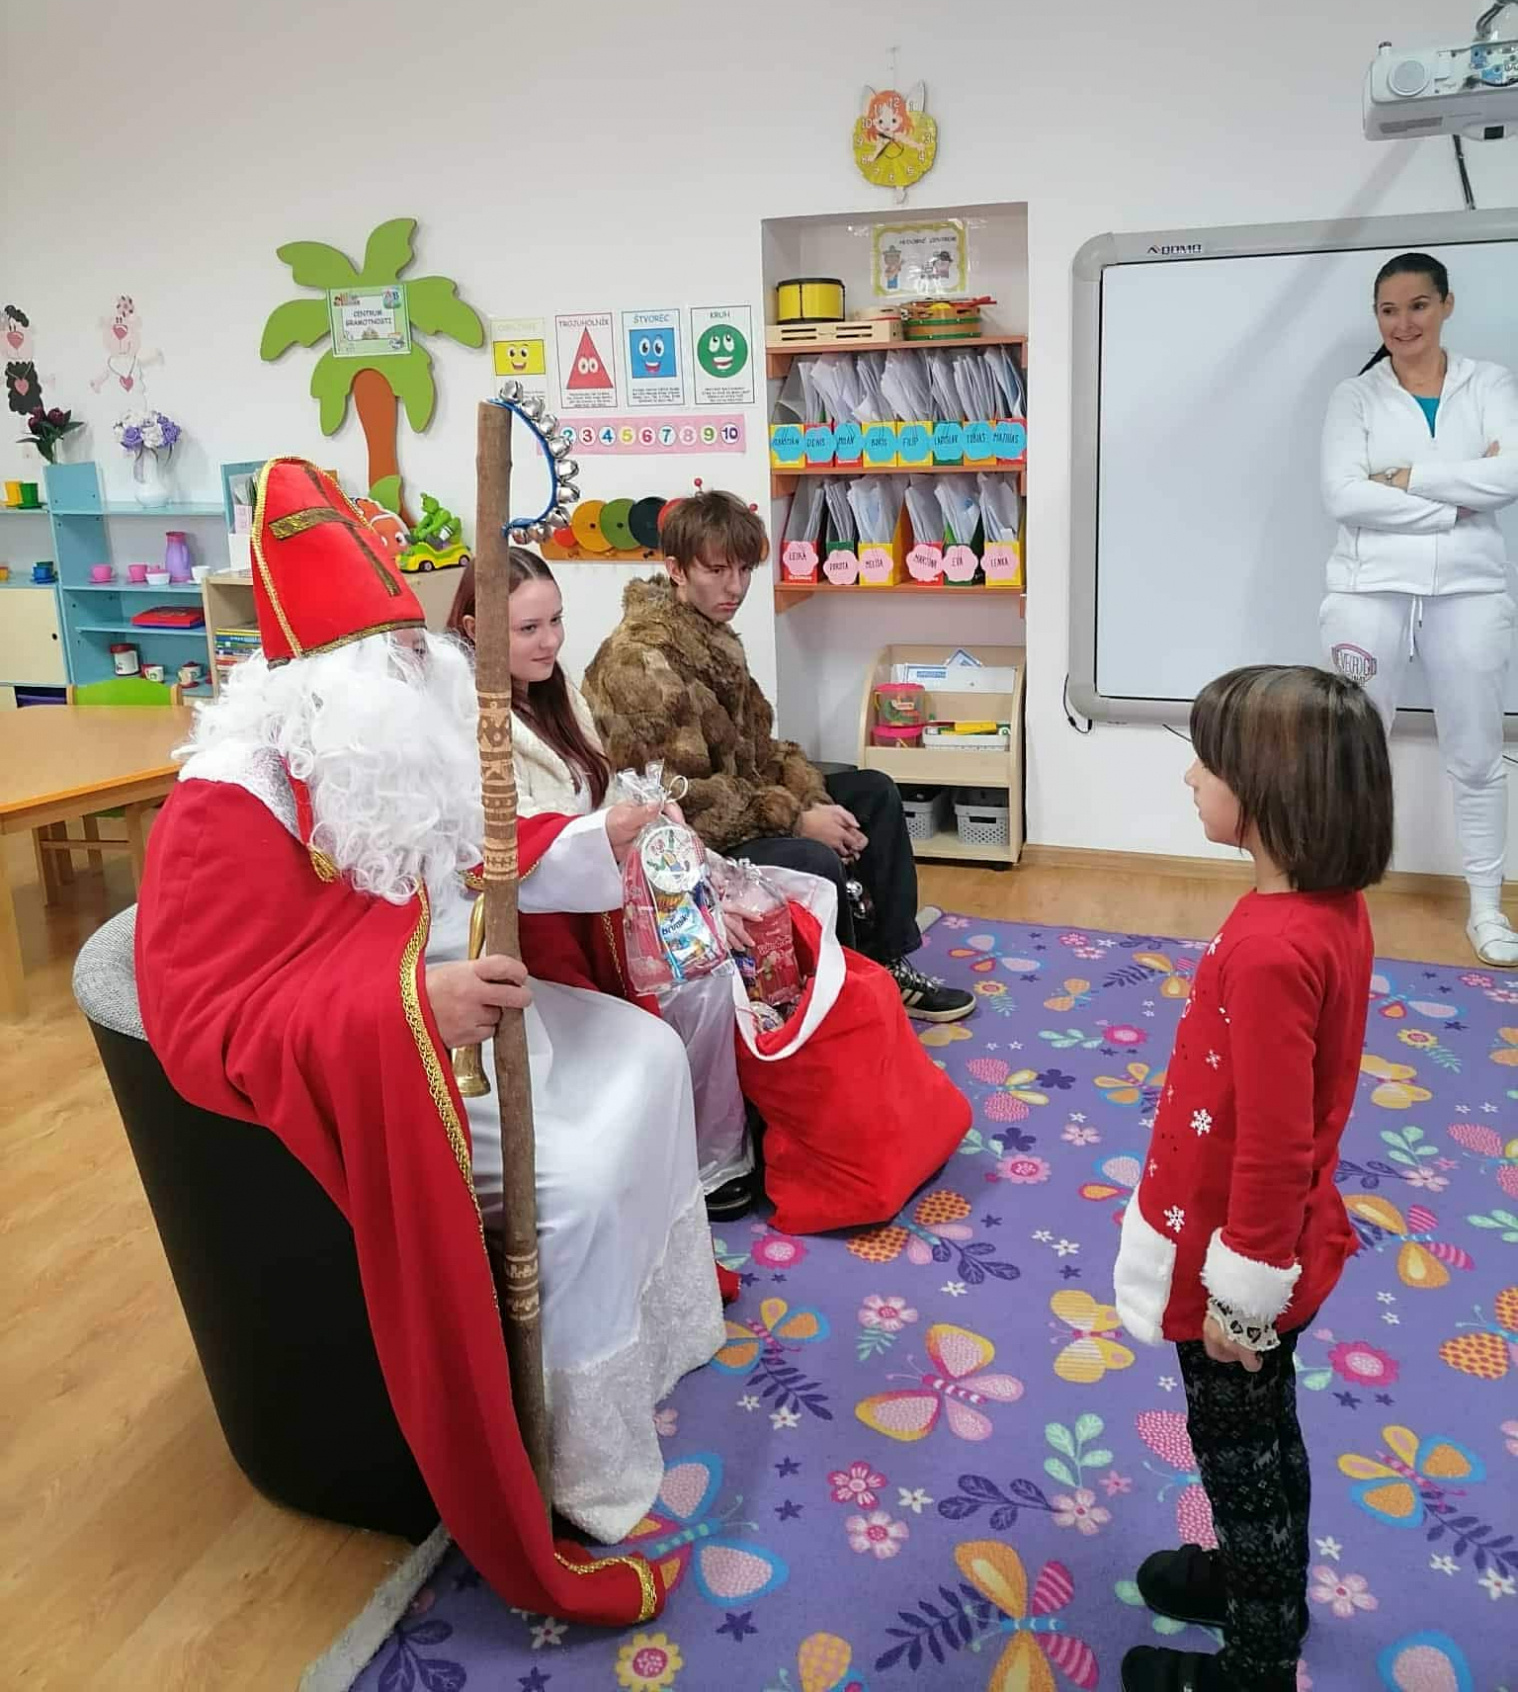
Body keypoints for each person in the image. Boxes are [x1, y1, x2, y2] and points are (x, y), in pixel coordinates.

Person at [135, 458, 727, 1628]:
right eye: (402, 653)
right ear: (336, 681)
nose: (427, 665)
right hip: (407, 1064)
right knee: (575, 1183)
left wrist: (601, 836)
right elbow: (202, 1018)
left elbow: (478, 855)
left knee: (648, 1056)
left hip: (481, 1008)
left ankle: (653, 1342)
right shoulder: (231, 798)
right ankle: (574, 1457)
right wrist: (411, 1004)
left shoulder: (389, 748)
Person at [1113, 665, 1392, 1692]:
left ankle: (1258, 1657)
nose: (1191, 777)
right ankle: (1254, 1584)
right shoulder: (1323, 909)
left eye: (1209, 762)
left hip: (1243, 1259)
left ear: (1270, 788)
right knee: (1265, 1438)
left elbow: (1274, 1142)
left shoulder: (1274, 947)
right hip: (1269, 1238)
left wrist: (1239, 1296)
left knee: (1242, 1462)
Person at [583, 489, 975, 1023]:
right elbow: (679, 801)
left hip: (740, 804)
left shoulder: (711, 636)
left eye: (745, 569)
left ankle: (884, 964)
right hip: (682, 838)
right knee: (813, 857)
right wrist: (795, 819)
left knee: (874, 792)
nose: (736, 587)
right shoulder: (639, 662)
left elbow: (759, 751)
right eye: (717, 570)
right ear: (676, 570)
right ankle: (837, 1001)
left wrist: (808, 797)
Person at [447, 550, 758, 1218]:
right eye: (529, 629)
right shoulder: (468, 721)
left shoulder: (554, 694)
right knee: (702, 977)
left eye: (556, 621)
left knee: (761, 924)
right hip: (551, 922)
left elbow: (608, 787)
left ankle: (727, 1136)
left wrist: (654, 823)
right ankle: (703, 1159)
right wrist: (625, 839)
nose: (551, 641)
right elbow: (509, 842)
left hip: (608, 887)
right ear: (474, 629)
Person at [1320, 251, 1518, 966]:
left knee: (1476, 752)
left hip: (1470, 589)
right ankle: (1336, 899)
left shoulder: (1489, 383)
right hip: (1368, 588)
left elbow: (1512, 473)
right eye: (1388, 310)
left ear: (1446, 305)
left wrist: (1407, 479)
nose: (1403, 323)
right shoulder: (1355, 397)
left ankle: (1487, 908)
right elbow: (1343, 495)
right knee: (1351, 749)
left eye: (1418, 305)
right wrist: (1455, 502)